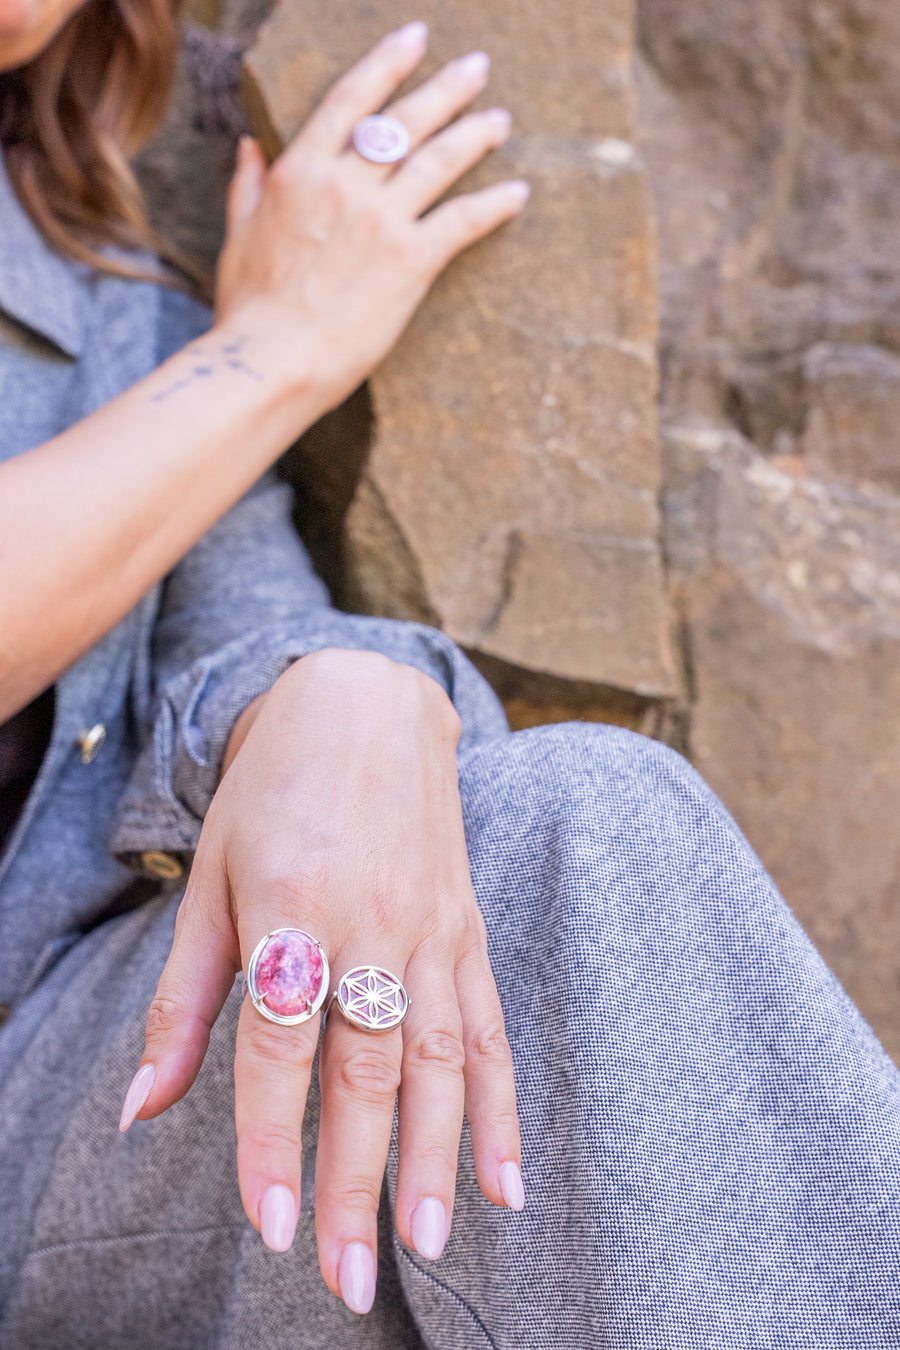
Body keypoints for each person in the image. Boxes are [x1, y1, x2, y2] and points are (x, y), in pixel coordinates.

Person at [0, 1, 898, 1345]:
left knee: (576, 836)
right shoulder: (216, 358)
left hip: (70, 1102)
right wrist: (279, 351)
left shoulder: (115, 317)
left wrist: (355, 694)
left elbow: (251, 634)